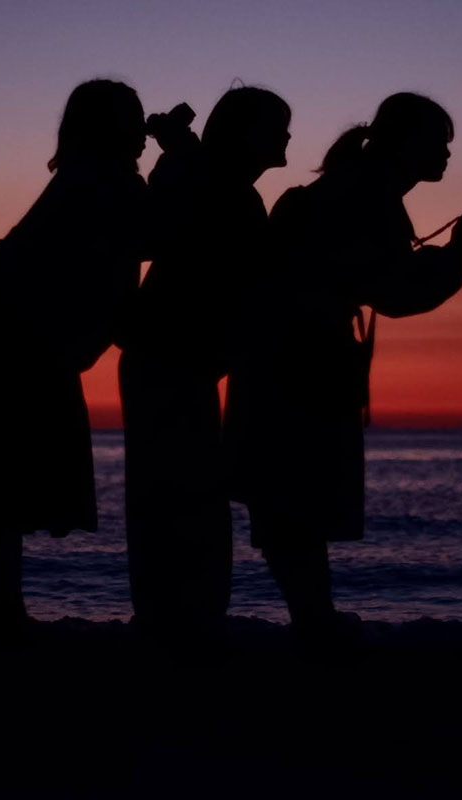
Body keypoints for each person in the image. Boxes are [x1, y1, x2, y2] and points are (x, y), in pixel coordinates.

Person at [225, 92, 462, 640]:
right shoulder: (369, 195)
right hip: (300, 361)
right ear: (405, 143)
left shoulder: (353, 187)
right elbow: (393, 290)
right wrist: (456, 255)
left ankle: (312, 617)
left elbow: (366, 274)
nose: (446, 155)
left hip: (278, 356)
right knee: (297, 500)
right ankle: (315, 623)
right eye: (438, 143)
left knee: (288, 499)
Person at [0, 79, 147, 634]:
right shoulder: (103, 181)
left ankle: (3, 612)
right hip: (20, 350)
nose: (143, 134)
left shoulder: (82, 178)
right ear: (110, 128)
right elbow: (162, 233)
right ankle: (4, 617)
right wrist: (186, 159)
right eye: (134, 120)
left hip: (6, 345)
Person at [119, 87, 292, 642]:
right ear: (247, 135)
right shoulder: (218, 186)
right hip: (170, 357)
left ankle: (177, 617)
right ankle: (179, 621)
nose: (287, 137)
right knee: (179, 495)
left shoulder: (217, 182)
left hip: (177, 358)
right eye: (277, 127)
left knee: (179, 494)